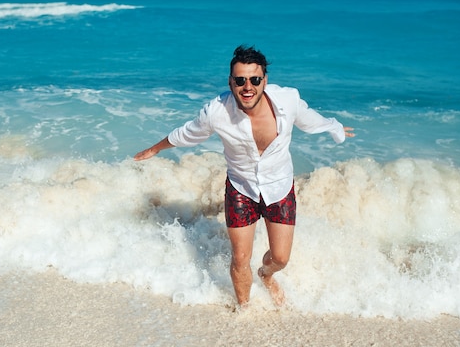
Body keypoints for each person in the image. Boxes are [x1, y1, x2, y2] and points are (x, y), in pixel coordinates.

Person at [134, 45, 354, 308]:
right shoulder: (217, 111)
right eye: (240, 80)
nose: (247, 86)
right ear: (231, 82)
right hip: (241, 189)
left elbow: (309, 120)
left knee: (281, 258)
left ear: (264, 81)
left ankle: (266, 275)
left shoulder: (287, 100)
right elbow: (187, 133)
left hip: (279, 187)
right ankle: (244, 310)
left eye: (254, 79)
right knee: (240, 258)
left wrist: (334, 126)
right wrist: (155, 148)